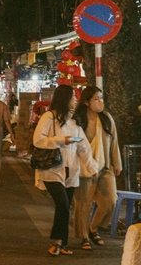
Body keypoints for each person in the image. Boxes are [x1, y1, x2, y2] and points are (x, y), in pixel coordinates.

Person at [33, 85, 98, 256]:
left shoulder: (74, 120)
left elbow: (83, 147)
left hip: (72, 170)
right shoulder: (49, 117)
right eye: (73, 97)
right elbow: (38, 140)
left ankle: (60, 243)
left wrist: (92, 167)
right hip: (52, 168)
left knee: (65, 207)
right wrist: (62, 140)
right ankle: (56, 241)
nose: (76, 100)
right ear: (65, 98)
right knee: (62, 204)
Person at [73, 86, 122, 250]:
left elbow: (114, 142)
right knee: (84, 204)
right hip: (84, 168)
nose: (100, 102)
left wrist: (117, 163)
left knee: (110, 201)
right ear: (87, 102)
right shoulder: (79, 119)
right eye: (96, 99)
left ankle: (93, 227)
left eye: (102, 98)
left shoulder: (107, 118)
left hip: (105, 166)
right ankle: (84, 237)